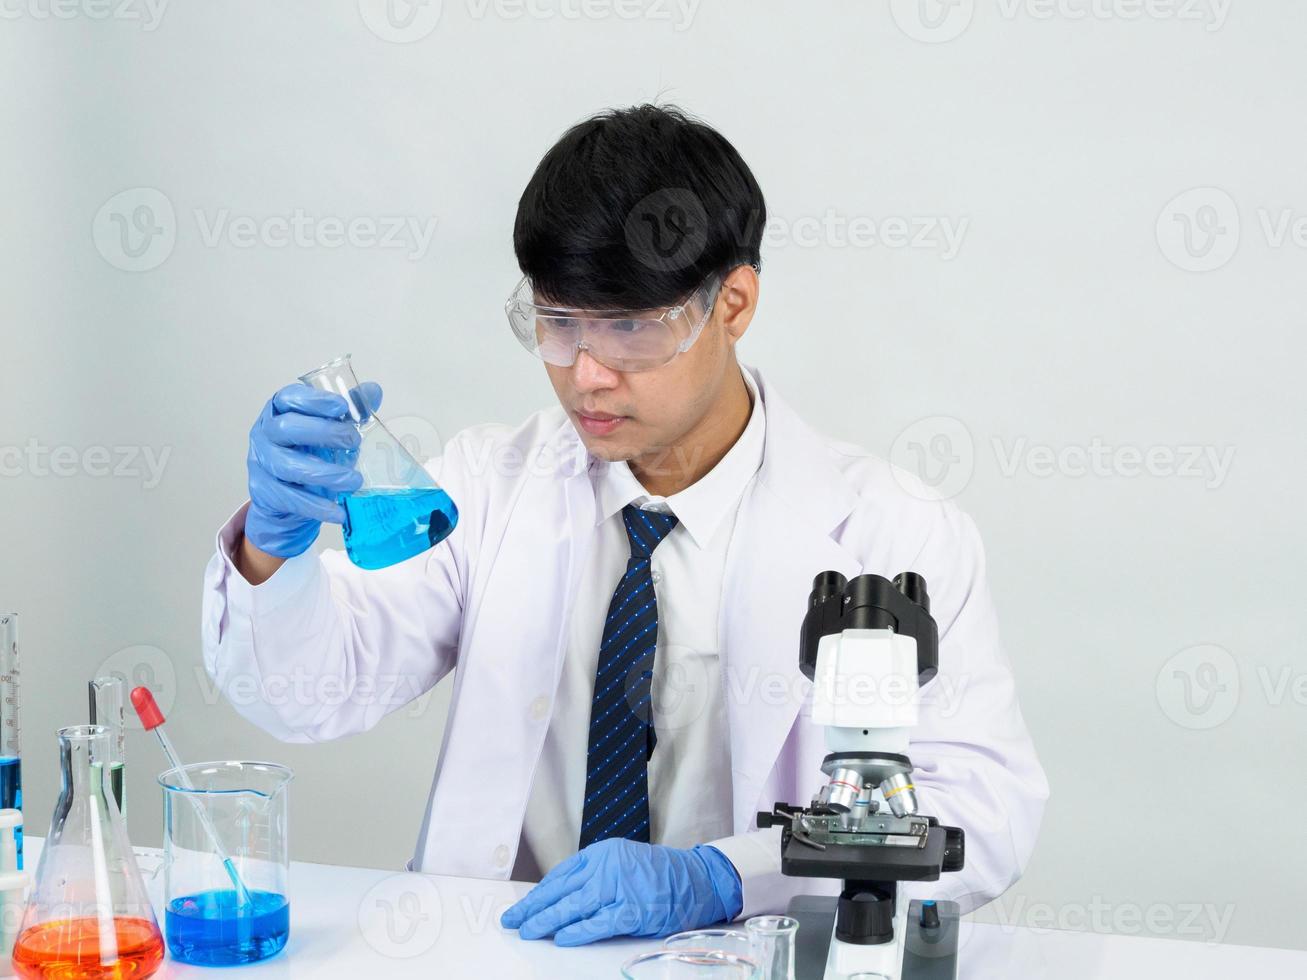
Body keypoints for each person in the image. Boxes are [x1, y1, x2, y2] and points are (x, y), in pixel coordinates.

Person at [202, 104, 1048, 946]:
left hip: (746, 954)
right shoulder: (485, 486)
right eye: (559, 322)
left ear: (734, 303)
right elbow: (308, 696)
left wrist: (725, 878)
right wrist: (273, 549)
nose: (587, 375)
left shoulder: (895, 533)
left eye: (631, 328)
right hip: (510, 954)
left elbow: (982, 806)